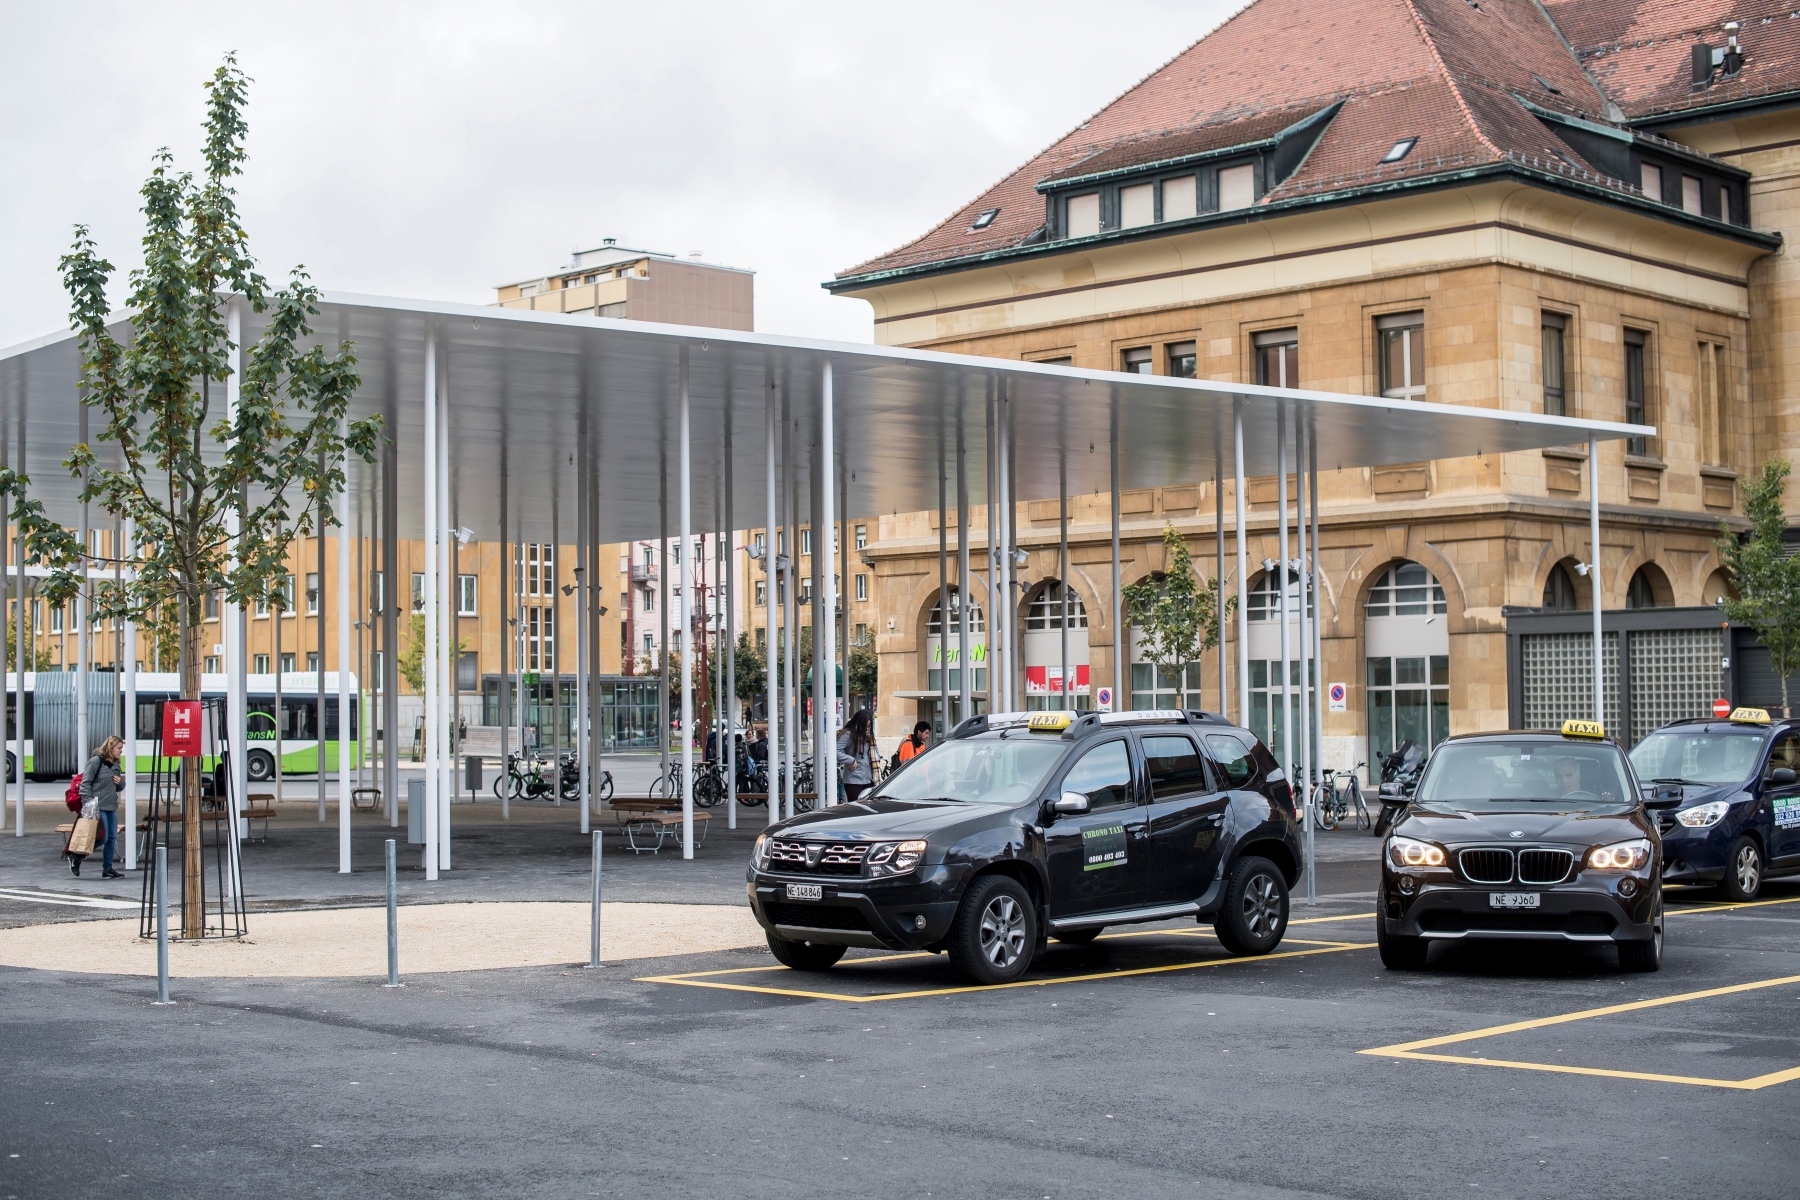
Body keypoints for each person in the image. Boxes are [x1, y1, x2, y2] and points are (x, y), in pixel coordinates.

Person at [79, 735, 126, 880]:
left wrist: (120, 782)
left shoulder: (116, 765)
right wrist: (88, 802)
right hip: (98, 806)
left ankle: (107, 869)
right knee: (103, 837)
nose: (121, 751)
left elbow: (119, 787)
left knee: (112, 838)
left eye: (121, 749)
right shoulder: (95, 762)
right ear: (111, 747)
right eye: (119, 748)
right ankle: (77, 854)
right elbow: (85, 783)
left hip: (111, 806)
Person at [836, 710, 878, 803]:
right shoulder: (848, 735)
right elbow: (834, 751)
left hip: (869, 778)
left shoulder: (869, 736)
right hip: (854, 779)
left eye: (869, 726)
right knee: (856, 808)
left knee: (868, 807)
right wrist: (850, 760)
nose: (867, 728)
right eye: (866, 725)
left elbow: (874, 755)